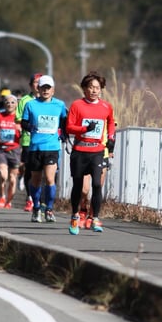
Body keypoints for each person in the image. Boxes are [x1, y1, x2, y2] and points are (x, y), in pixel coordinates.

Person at [66, 72, 116, 235]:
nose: (94, 91)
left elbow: (110, 123)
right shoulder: (77, 105)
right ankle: (74, 215)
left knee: (97, 184)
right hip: (80, 150)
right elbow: (69, 127)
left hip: (97, 151)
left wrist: (110, 137)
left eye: (97, 88)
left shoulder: (106, 106)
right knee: (79, 186)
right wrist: (85, 129)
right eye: (91, 87)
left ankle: (95, 218)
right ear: (84, 89)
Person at [20, 75, 67, 223]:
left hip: (52, 147)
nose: (46, 90)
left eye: (48, 88)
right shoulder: (31, 105)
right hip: (35, 147)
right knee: (36, 180)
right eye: (43, 87)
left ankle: (49, 209)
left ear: (53, 90)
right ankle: (36, 208)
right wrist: (30, 127)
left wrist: (65, 134)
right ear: (38, 89)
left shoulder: (59, 105)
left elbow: (65, 122)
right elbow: (24, 122)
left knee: (49, 179)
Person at [16, 73, 43, 212]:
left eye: (41, 82)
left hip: (45, 141)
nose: (38, 85)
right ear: (30, 85)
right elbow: (18, 118)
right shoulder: (25, 100)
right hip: (28, 140)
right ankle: (30, 198)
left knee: (43, 171)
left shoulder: (50, 101)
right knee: (29, 170)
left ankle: (40, 199)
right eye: (36, 82)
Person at [0, 94, 21, 208]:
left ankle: (9, 201)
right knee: (3, 175)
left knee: (12, 179)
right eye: (7, 102)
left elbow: (26, 133)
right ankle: (2, 196)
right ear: (4, 104)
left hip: (15, 150)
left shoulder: (19, 118)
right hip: (1, 149)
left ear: (16, 104)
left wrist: (21, 130)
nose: (9, 104)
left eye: (12, 102)